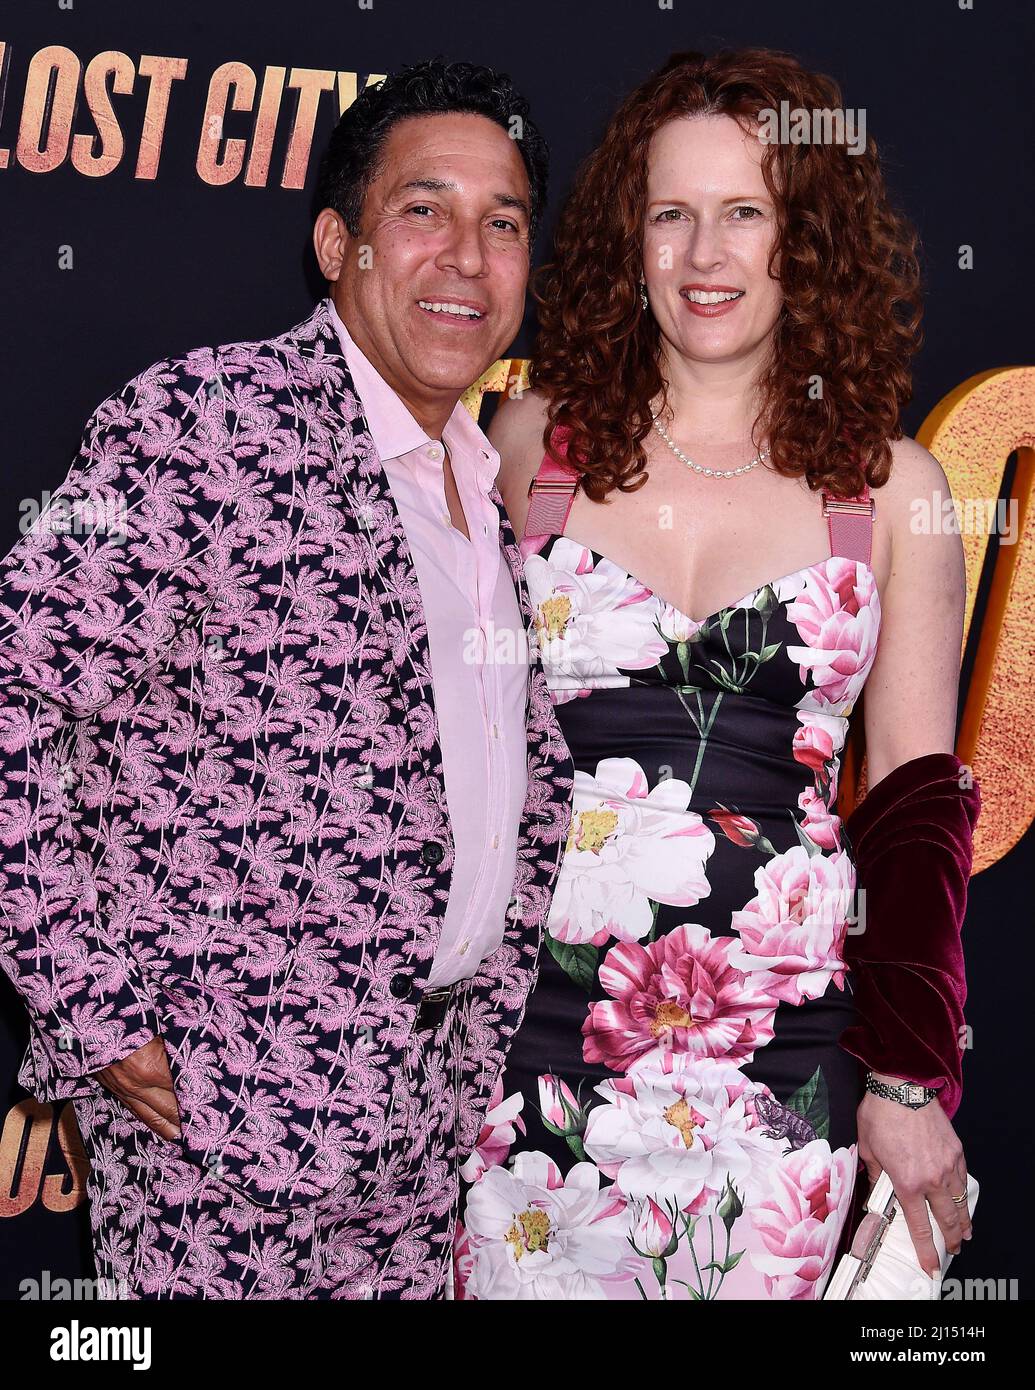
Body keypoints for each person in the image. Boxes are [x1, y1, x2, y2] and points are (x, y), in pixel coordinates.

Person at [0, 58, 573, 1299]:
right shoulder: (200, 422)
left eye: (505, 222)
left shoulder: (482, 478)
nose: (467, 256)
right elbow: (15, 705)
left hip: (422, 1137)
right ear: (338, 243)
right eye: (424, 209)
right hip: (223, 1136)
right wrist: (96, 1011)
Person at [452, 47, 978, 1300]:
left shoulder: (893, 491)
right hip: (526, 1068)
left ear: (808, 239)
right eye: (671, 215)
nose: (705, 256)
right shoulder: (527, 445)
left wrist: (909, 1083)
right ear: (628, 240)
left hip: (783, 1083)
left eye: (746, 213)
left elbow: (913, 816)